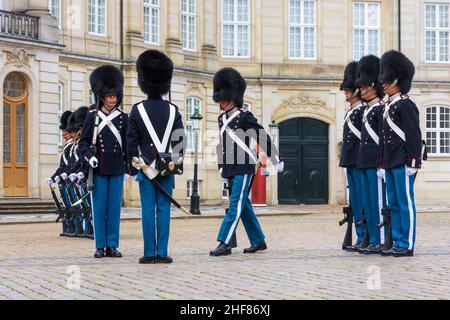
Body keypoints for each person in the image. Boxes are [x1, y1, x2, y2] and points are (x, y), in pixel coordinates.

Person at [209, 67, 284, 257]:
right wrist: (221, 167)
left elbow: (261, 136)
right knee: (244, 207)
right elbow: (221, 144)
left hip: (243, 166)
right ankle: (258, 240)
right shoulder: (222, 118)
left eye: (224, 97)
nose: (222, 101)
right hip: (230, 167)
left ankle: (224, 242)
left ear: (233, 96)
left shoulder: (244, 116)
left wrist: (275, 158)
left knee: (235, 205)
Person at [127, 50, 185, 264]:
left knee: (147, 211)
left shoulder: (137, 110)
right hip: (167, 168)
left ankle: (149, 252)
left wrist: (136, 167)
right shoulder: (173, 110)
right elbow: (180, 140)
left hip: (145, 168)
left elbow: (131, 143)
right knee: (163, 210)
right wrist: (174, 164)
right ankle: (162, 252)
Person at [79, 65, 130, 258]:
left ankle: (112, 245)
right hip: (98, 168)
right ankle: (100, 245)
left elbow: (127, 144)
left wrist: (128, 168)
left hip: (116, 168)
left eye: (114, 96)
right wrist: (89, 157)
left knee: (114, 209)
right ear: (101, 96)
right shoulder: (92, 117)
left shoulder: (123, 118)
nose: (112, 99)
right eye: (108, 96)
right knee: (99, 209)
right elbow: (83, 143)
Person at [378, 50, 422, 257]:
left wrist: (414, 160)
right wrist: (381, 163)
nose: (383, 84)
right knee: (393, 203)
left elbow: (413, 134)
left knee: (405, 204)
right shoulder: (389, 106)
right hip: (390, 161)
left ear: (396, 79)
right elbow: (384, 140)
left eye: (386, 80)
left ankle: (407, 242)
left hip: (403, 161)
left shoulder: (406, 104)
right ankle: (397, 239)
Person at [354, 55, 386, 254]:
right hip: (364, 161)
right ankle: (370, 237)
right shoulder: (367, 109)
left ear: (374, 86)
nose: (361, 90)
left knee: (377, 203)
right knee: (367, 203)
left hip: (375, 160)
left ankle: (379, 239)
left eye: (365, 87)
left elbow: (383, 138)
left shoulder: (380, 108)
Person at [339, 61, 366, 252]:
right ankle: (360, 234)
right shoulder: (352, 111)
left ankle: (364, 235)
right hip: (351, 160)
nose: (346, 92)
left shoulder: (363, 110)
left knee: (363, 200)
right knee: (355, 201)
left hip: (360, 160)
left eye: (349, 89)